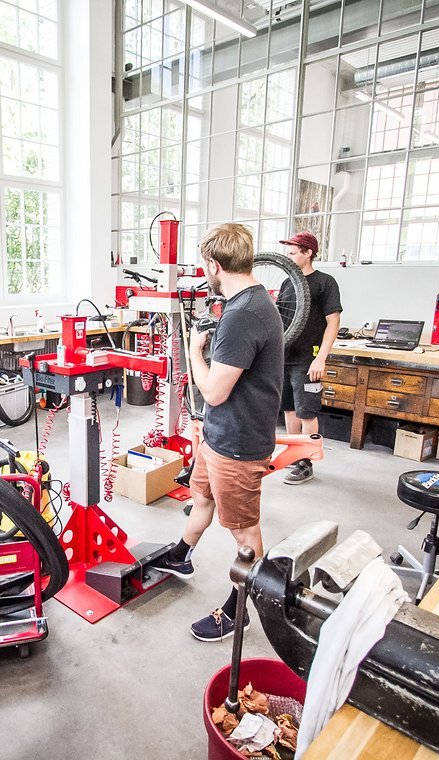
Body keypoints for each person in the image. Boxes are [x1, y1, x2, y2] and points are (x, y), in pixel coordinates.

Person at [157, 222, 284, 642]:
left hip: (238, 443)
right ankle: (181, 555)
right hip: (218, 436)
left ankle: (241, 608)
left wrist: (194, 350)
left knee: (244, 530)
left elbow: (212, 392)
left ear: (214, 264)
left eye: (203, 266)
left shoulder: (243, 315)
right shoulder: (250, 302)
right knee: (201, 496)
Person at [278, 231, 341, 485]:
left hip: (308, 359)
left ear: (308, 253)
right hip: (285, 357)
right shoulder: (287, 283)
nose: (289, 257)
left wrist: (321, 358)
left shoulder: (325, 282)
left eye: (293, 253)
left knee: (307, 411)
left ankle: (306, 463)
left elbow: (333, 321)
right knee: (290, 409)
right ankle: (294, 456)